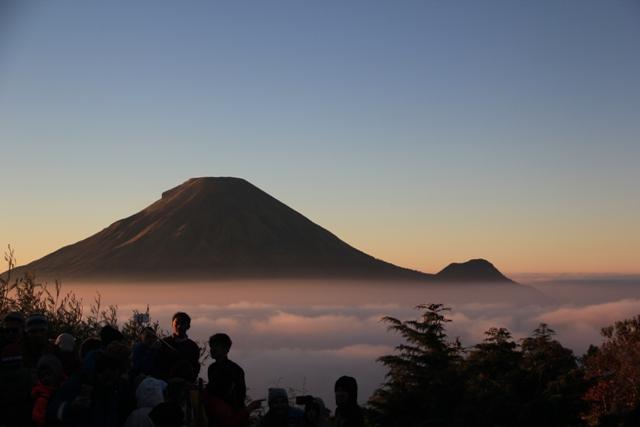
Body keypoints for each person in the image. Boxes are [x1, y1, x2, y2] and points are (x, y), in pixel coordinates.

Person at [202, 363, 262, 427]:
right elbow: (230, 422)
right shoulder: (216, 401)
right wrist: (249, 408)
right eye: (233, 383)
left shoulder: (211, 397)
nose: (233, 387)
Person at [155, 312, 201, 383]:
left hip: (186, 384)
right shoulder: (164, 343)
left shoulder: (193, 347)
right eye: (177, 323)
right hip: (165, 383)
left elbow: (195, 367)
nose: (179, 326)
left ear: (188, 326)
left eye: (182, 323)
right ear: (172, 324)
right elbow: (158, 364)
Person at [208, 333, 246, 409]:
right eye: (211, 346)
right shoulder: (212, 368)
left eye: (216, 346)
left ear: (226, 349)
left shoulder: (235, 370)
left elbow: (240, 396)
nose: (212, 349)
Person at [32, 354, 65, 427]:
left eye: (48, 374)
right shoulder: (42, 397)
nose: (45, 379)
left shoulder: (65, 388)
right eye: (42, 376)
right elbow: (38, 419)